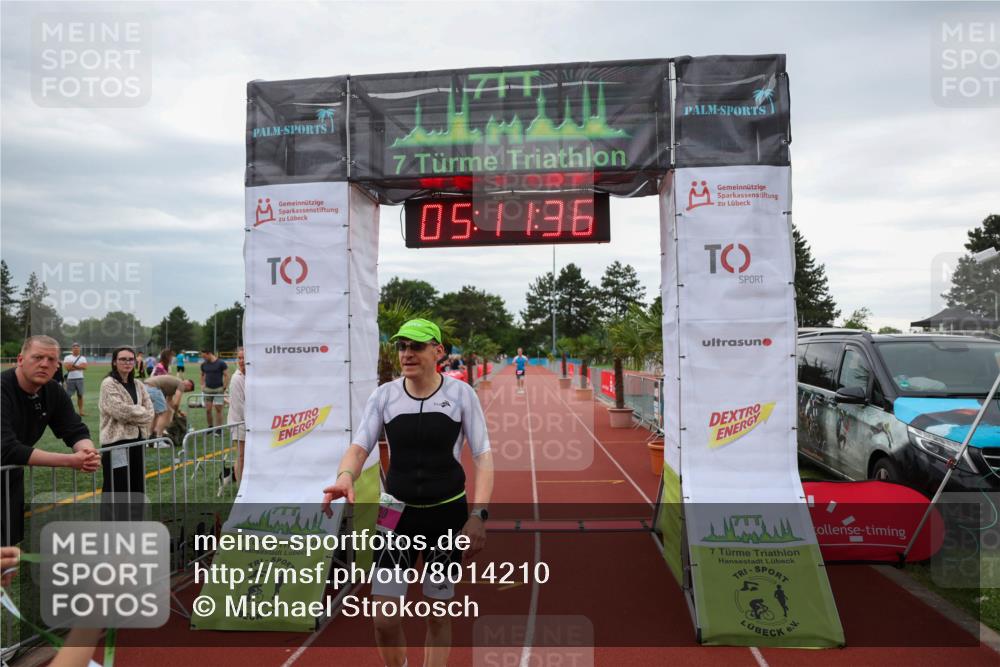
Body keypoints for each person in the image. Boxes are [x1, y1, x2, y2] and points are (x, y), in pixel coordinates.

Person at [322, 318, 493, 667]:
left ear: (438, 351)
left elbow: (484, 457)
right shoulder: (384, 396)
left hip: (446, 515)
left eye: (416, 346)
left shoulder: (461, 395)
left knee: (438, 614)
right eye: (402, 346)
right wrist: (344, 476)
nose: (407, 353)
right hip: (395, 514)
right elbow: (358, 447)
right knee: (384, 620)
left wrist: (478, 515)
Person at [1, 336, 100, 545]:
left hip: (9, 477)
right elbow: (6, 448)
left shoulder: (53, 390)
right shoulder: (3, 389)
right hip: (7, 462)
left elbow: (74, 428)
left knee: (8, 545)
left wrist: (87, 452)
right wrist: (71, 461)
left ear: (57, 365)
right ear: (20, 359)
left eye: (51, 359)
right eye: (37, 357)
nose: (44, 364)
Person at [98, 347, 154, 498]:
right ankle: (114, 521)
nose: (127, 362)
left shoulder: (138, 384)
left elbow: (150, 412)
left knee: (137, 486)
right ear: (114, 362)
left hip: (138, 442)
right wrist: (140, 411)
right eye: (123, 359)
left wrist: (136, 412)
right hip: (117, 445)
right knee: (117, 487)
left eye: (131, 359)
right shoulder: (108, 384)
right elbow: (120, 411)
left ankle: (136, 521)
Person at [144, 374, 194, 440]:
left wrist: (179, 411)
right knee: (164, 413)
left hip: (145, 386)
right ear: (189, 385)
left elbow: (169, 402)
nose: (185, 391)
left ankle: (149, 436)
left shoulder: (172, 386)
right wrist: (176, 414)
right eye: (187, 390)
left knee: (157, 413)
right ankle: (158, 439)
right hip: (153, 388)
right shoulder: (181, 384)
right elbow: (176, 403)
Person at [226, 347, 246, 482]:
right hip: (240, 422)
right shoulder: (236, 378)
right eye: (239, 358)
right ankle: (240, 487)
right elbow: (239, 406)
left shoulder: (249, 376)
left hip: (248, 422)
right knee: (241, 456)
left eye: (243, 357)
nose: (241, 361)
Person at [200, 350, 228, 432]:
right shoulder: (204, 364)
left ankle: (218, 429)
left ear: (209, 354)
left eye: (204, 356)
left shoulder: (221, 363)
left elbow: (226, 375)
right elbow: (202, 375)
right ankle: (210, 427)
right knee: (208, 410)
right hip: (208, 390)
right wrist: (202, 385)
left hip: (218, 389)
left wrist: (224, 387)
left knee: (218, 410)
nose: (204, 358)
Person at [62, 342, 88, 416]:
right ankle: (68, 411)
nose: (76, 349)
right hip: (70, 379)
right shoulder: (67, 357)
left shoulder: (83, 358)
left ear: (79, 349)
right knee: (68, 396)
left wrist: (73, 365)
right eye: (74, 348)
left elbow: (85, 367)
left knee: (80, 395)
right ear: (72, 349)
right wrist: (79, 366)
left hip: (80, 378)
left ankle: (81, 411)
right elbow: (67, 367)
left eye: (77, 348)